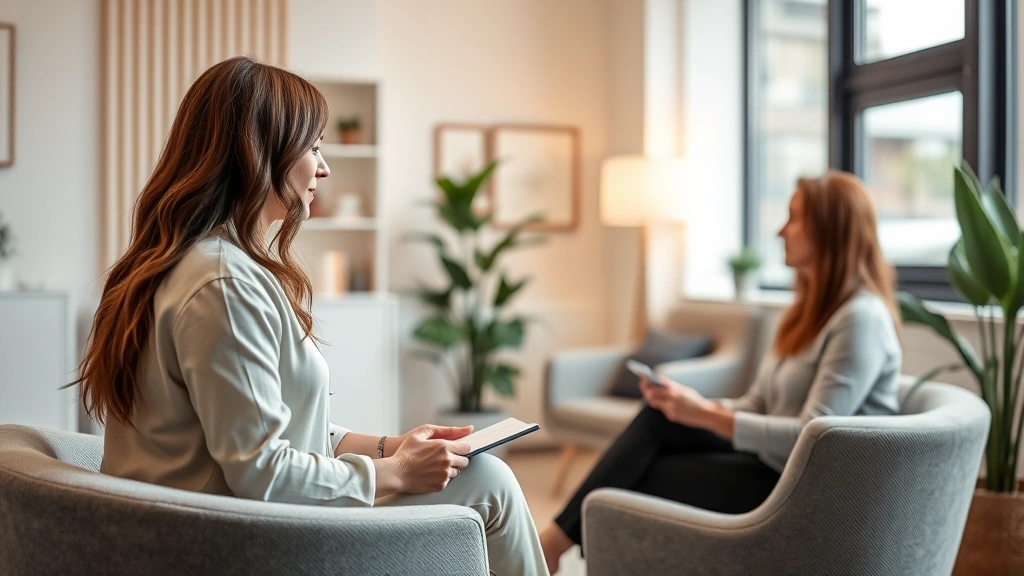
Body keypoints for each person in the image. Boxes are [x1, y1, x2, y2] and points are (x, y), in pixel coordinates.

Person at [74, 56, 548, 576]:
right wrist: (392, 474)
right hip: (235, 543)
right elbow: (262, 471)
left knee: (478, 474)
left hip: (222, 523)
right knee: (490, 484)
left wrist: (397, 446)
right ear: (259, 153)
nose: (323, 168)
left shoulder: (193, 263)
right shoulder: (223, 285)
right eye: (314, 147)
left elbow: (282, 431)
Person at [539, 170, 903, 574]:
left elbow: (814, 435)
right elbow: (758, 403)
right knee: (658, 418)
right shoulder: (806, 313)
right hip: (774, 463)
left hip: (807, 489)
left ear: (831, 231)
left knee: (641, 475)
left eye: (795, 217)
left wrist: (707, 416)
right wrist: (695, 405)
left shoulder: (861, 319)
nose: (782, 230)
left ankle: (550, 546)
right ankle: (552, 547)